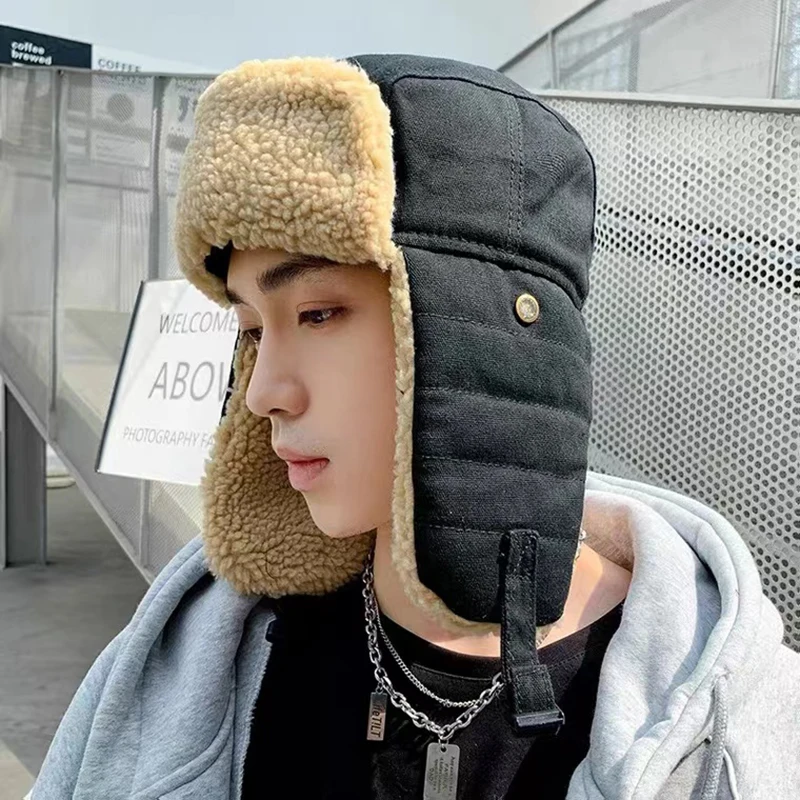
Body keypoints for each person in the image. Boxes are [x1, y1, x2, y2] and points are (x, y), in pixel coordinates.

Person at [29, 54, 800, 800]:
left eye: (318, 313)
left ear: (491, 338)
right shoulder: (183, 653)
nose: (262, 392)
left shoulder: (729, 717)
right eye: (252, 330)